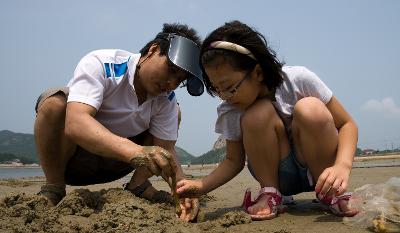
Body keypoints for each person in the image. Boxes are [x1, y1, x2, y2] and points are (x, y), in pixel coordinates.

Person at [177, 20, 359, 220]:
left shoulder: (298, 80)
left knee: (310, 108)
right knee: (257, 114)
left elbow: (347, 124)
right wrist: (201, 186)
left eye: (229, 87)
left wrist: (342, 166)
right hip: (280, 176)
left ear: (257, 72)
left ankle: (331, 193)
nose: (224, 96)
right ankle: (270, 194)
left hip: (321, 172)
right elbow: (233, 160)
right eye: (216, 89)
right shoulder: (231, 109)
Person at [34, 23, 203, 221]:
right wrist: (136, 152)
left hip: (118, 165)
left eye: (179, 80)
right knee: (54, 103)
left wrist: (181, 187)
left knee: (176, 112)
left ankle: (138, 186)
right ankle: (54, 187)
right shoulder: (104, 64)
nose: (171, 83)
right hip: (73, 161)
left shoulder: (166, 100)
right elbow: (75, 123)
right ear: (153, 50)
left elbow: (165, 149)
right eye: (171, 70)